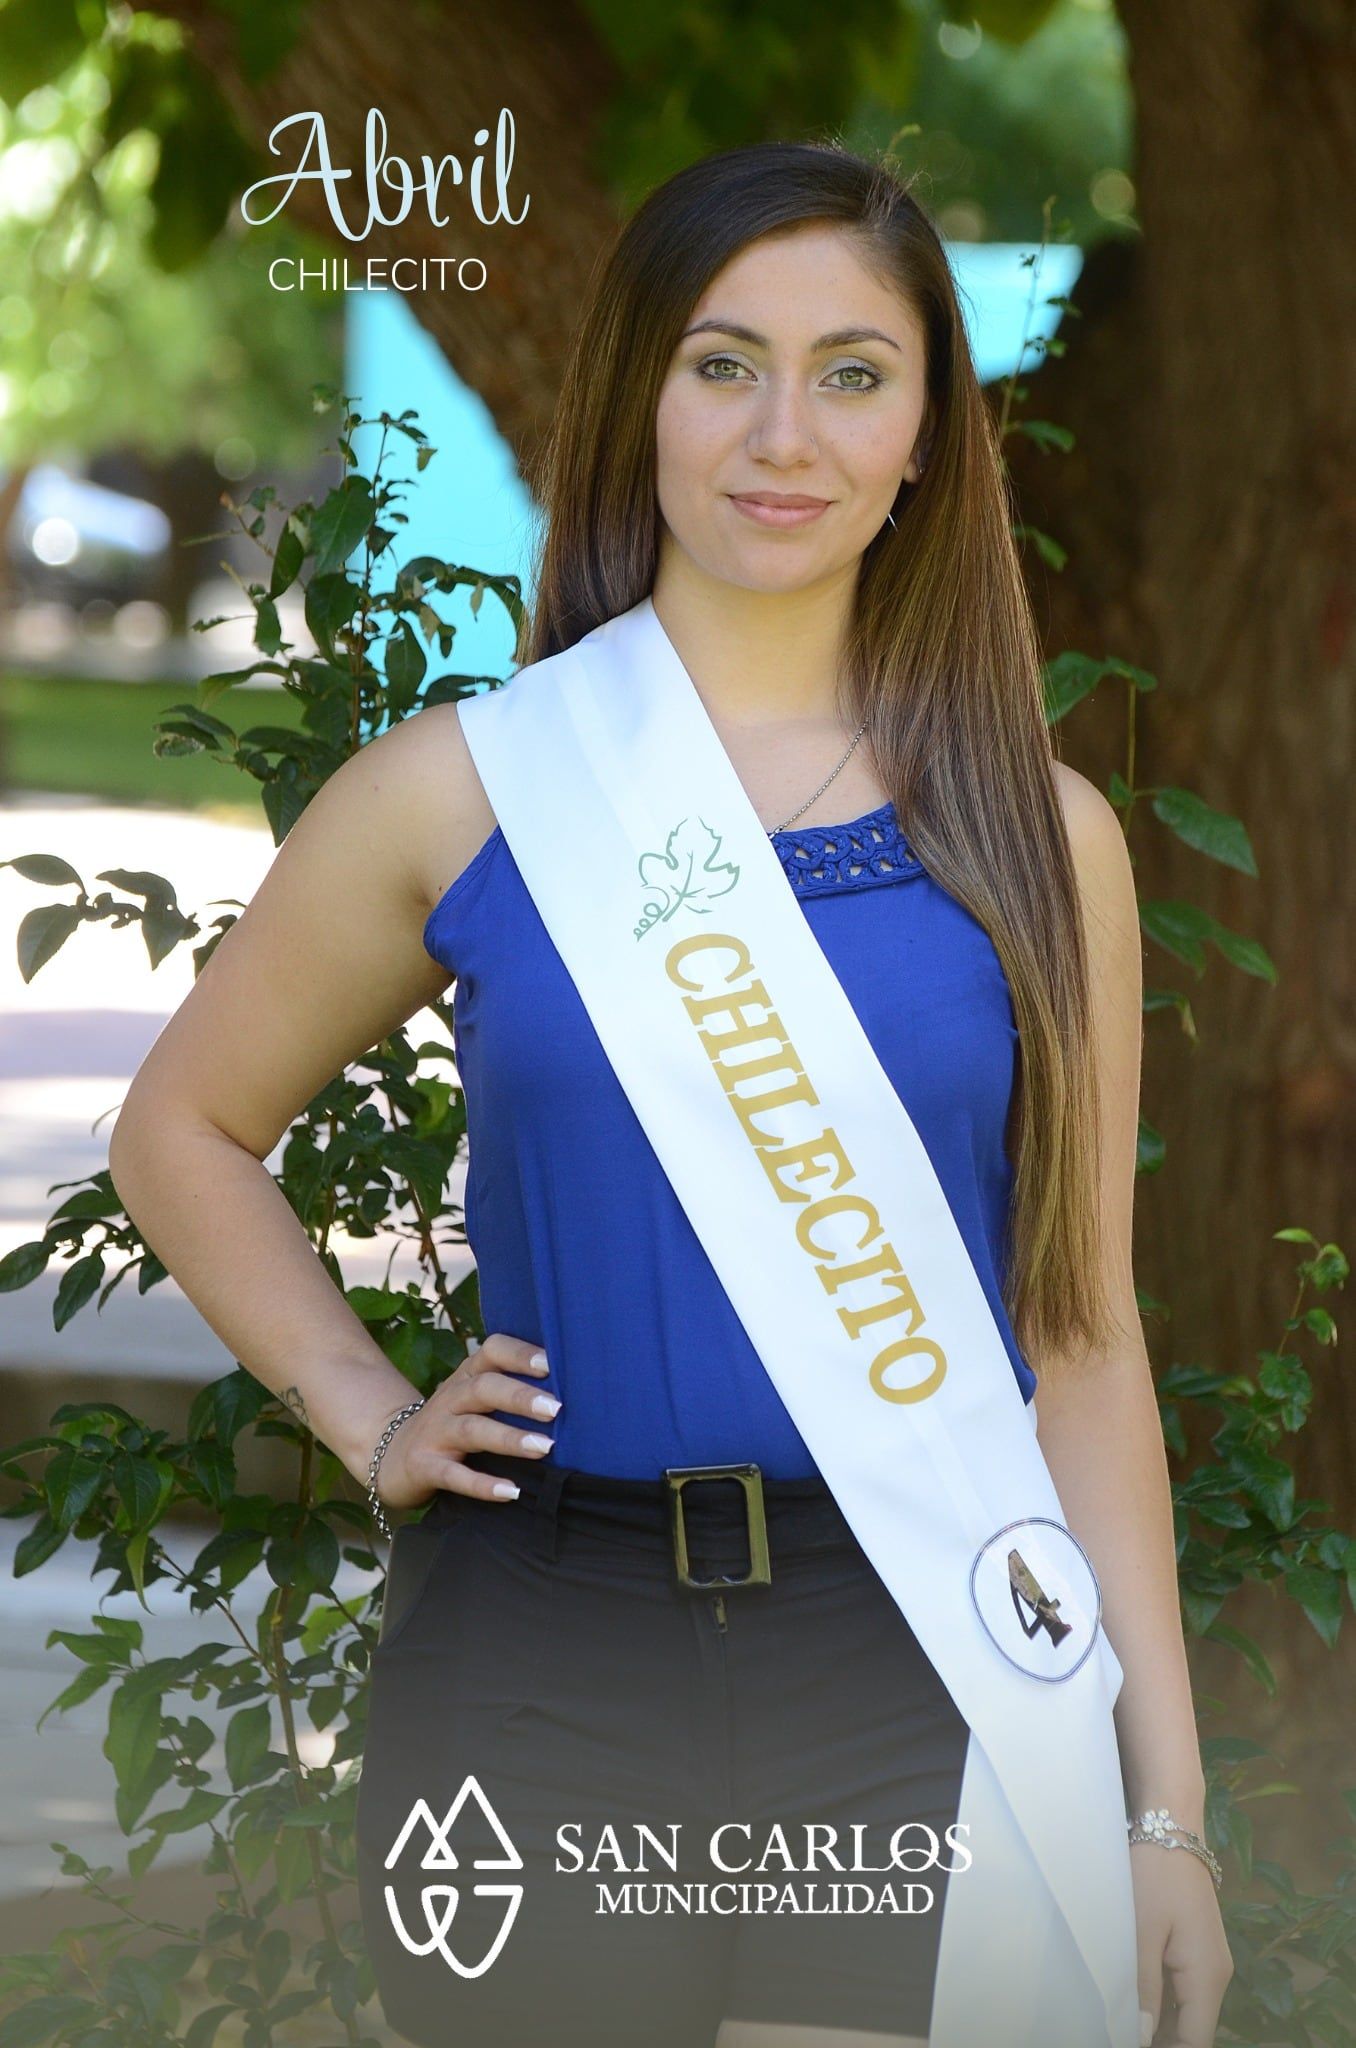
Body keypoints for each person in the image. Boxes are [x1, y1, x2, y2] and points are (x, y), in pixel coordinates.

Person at [108, 141, 1234, 2048]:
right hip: (547, 1638)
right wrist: (376, 1418)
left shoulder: (1047, 842)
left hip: (907, 1646)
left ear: (930, 442)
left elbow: (1085, 1342)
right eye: (724, 363)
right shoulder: (471, 788)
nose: (782, 431)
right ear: (640, 394)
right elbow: (180, 1131)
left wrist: (1166, 1810)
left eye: (853, 373)